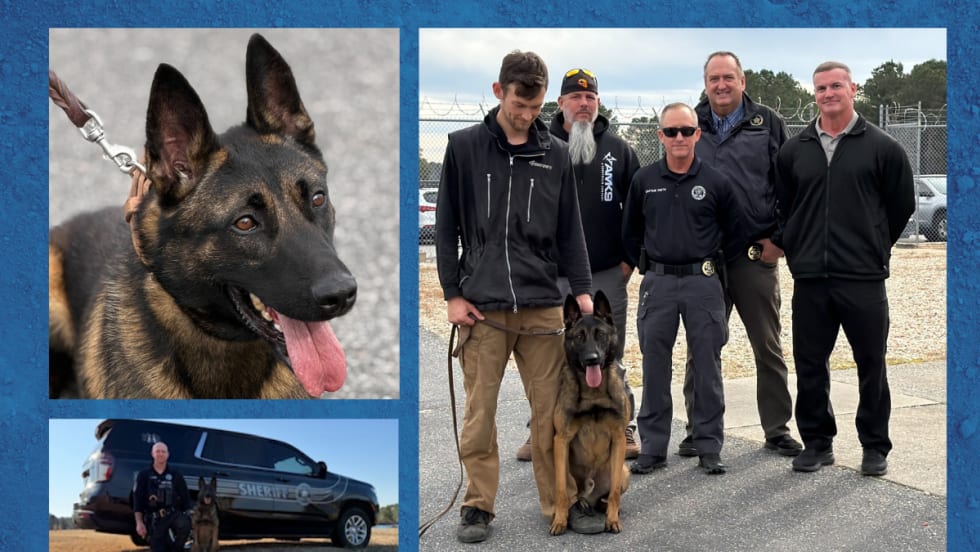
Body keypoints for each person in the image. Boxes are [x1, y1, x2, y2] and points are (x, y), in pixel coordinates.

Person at [435, 50, 597, 542]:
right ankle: (478, 506)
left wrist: (585, 291)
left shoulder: (555, 154)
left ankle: (563, 503)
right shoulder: (463, 148)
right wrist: (451, 294)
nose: (526, 115)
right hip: (482, 309)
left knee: (552, 416)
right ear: (498, 91)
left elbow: (571, 230)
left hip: (542, 304)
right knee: (480, 414)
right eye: (518, 104)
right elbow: (445, 228)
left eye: (534, 106)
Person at [774, 61, 914, 476]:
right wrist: (799, 248)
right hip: (811, 279)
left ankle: (875, 447)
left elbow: (900, 206)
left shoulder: (883, 147)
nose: (829, 93)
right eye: (821, 88)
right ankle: (818, 442)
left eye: (836, 85)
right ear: (813, 94)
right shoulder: (794, 149)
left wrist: (871, 247)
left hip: (863, 278)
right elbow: (785, 206)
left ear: (853, 88)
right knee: (810, 363)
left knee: (871, 363)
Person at [676, 51, 802, 458]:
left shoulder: (766, 124)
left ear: (742, 81)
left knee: (767, 346)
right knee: (703, 347)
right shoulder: (690, 126)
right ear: (705, 82)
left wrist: (780, 239)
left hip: (753, 256)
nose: (721, 85)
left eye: (728, 77)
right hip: (706, 260)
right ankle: (698, 428)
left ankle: (777, 428)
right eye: (713, 78)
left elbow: (791, 186)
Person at [514, 66, 642, 462]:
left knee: (608, 352)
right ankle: (544, 429)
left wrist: (627, 262)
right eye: (576, 97)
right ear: (561, 103)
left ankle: (625, 424)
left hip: (605, 274)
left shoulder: (618, 150)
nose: (583, 104)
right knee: (550, 360)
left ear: (597, 103)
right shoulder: (538, 145)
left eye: (590, 97)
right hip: (551, 277)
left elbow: (638, 211)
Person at [621, 103, 738, 476]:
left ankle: (708, 446)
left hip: (702, 283)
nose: (679, 138)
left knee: (706, 365)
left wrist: (713, 269)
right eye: (671, 132)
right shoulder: (644, 180)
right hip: (658, 283)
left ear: (697, 134)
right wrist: (645, 266)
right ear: (661, 136)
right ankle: (653, 447)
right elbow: (629, 232)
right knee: (655, 366)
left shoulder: (716, 182)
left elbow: (734, 232)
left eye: (686, 130)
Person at [133, 441, 192, 552]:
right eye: (158, 451)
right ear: (152, 454)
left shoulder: (175, 475)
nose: (160, 454)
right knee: (159, 548)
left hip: (173, 514)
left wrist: (189, 514)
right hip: (154, 519)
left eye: (163, 451)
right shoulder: (144, 475)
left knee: (184, 524)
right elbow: (138, 501)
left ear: (168, 454)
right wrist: (139, 523)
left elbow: (185, 496)